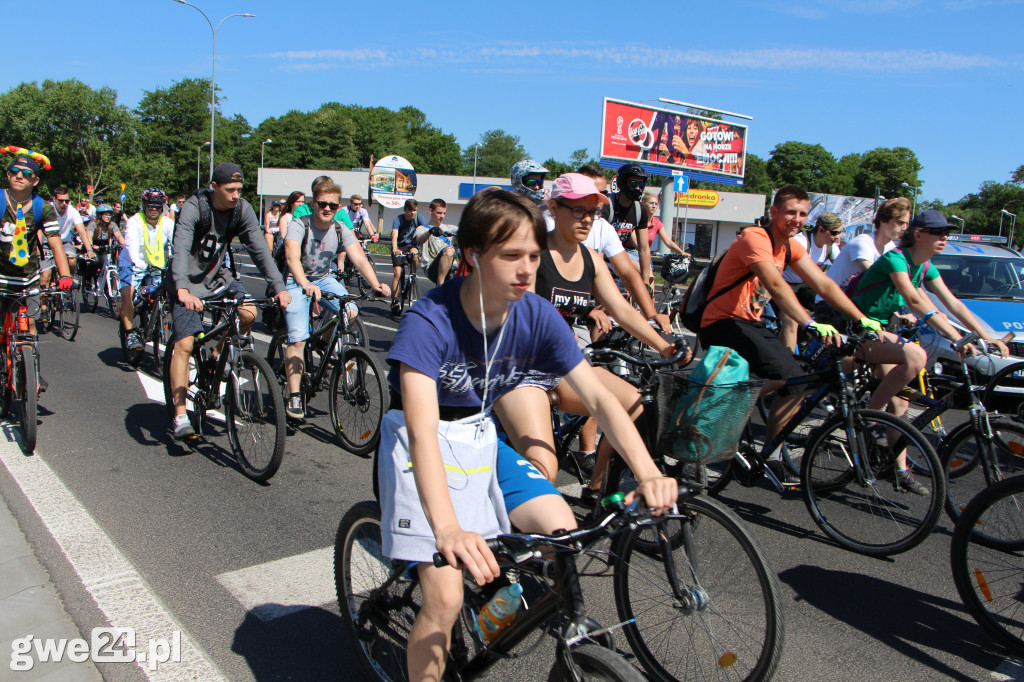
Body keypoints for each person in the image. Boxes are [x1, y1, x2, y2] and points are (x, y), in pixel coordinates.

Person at [378, 187, 677, 681]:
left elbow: (600, 398)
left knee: (561, 528)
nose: (526, 270)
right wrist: (449, 528)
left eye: (534, 257)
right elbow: (423, 432)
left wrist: (647, 473)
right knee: (445, 598)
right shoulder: (428, 320)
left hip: (478, 436)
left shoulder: (536, 314)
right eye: (511, 256)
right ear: (473, 256)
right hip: (417, 447)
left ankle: (506, 604)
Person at [493, 173, 687, 509]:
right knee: (545, 470)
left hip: (565, 363)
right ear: (554, 207)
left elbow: (624, 312)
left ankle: (597, 492)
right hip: (519, 369)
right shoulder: (534, 253)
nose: (587, 219)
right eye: (578, 210)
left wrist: (665, 345)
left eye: (593, 212)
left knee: (635, 404)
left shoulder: (591, 260)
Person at [697, 185, 880, 484]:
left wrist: (861, 318)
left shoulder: (792, 246)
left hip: (748, 323)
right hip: (722, 322)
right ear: (774, 213)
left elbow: (825, 285)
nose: (797, 219)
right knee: (791, 378)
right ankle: (736, 416)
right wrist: (809, 323)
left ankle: (762, 448)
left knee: (793, 380)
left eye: (803, 214)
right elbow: (776, 285)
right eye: (790, 212)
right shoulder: (755, 238)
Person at [841, 210, 1010, 493]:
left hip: (881, 331)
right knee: (915, 356)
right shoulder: (897, 258)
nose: (944, 237)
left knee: (901, 405)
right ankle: (866, 421)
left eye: (947, 233)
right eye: (937, 232)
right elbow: (914, 299)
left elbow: (952, 303)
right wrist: (955, 337)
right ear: (918, 234)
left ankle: (899, 471)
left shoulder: (926, 266)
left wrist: (985, 336)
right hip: (856, 327)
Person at [166, 162, 291, 440]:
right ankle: (179, 415)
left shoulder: (241, 210)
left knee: (247, 313)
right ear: (214, 187)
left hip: (216, 277)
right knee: (184, 344)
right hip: (184, 280)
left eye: (239, 189)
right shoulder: (194, 207)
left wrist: (278, 286)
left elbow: (260, 251)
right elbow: (181, 247)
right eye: (230, 189)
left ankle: (217, 357)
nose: (236, 195)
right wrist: (183, 290)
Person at [280, 177, 390, 420]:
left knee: (350, 311)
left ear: (338, 206)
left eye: (332, 205)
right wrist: (305, 284)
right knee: (298, 338)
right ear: (313, 203)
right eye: (322, 204)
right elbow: (291, 258)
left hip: (323, 277)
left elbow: (359, 258)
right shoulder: (300, 224)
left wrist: (376, 285)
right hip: (297, 280)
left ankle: (323, 342)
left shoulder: (340, 227)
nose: (327, 209)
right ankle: (295, 396)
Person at [0, 148, 73, 392]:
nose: (19, 176)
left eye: (26, 173)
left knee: (29, 326)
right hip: (0, 277)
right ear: (8, 175)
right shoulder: (0, 200)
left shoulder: (43, 207)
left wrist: (65, 275)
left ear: (35, 180)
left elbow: (55, 242)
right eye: (14, 171)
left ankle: (34, 374)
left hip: (27, 277)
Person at [813, 198, 911, 326]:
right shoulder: (863, 243)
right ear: (883, 221)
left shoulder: (891, 248)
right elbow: (875, 279)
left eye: (906, 224)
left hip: (853, 303)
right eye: (899, 222)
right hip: (828, 302)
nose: (904, 228)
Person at [774, 211, 842, 351]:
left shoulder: (831, 248)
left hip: (804, 286)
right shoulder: (801, 242)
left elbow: (841, 270)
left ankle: (813, 351)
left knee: (830, 311)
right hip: (784, 283)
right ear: (821, 229)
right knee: (791, 320)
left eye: (839, 233)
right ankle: (789, 362)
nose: (837, 237)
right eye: (834, 233)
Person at [119, 188, 174, 352]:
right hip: (132, 263)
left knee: (170, 292)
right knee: (127, 295)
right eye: (149, 206)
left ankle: (155, 318)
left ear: (162, 207)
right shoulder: (135, 221)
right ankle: (130, 333)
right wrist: (138, 262)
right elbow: (132, 245)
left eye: (157, 206)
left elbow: (179, 244)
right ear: (143, 206)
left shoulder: (168, 223)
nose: (153, 209)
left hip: (156, 266)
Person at [608, 163, 654, 286]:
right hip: (602, 259)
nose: (638, 188)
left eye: (642, 184)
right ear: (622, 183)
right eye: (634, 183)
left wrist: (645, 283)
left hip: (619, 261)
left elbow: (644, 249)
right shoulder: (608, 205)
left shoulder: (640, 210)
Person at [47, 186, 94, 284]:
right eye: (61, 201)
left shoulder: (72, 211)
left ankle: (70, 281)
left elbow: (81, 231)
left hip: (65, 242)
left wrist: (89, 249)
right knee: (46, 275)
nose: (64, 204)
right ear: (54, 199)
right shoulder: (48, 209)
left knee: (72, 261)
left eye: (67, 201)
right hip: (48, 242)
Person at [389, 198, 426, 314]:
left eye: (414, 210)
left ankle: (413, 275)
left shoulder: (419, 218)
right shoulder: (398, 219)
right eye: (410, 210)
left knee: (415, 254)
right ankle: (394, 300)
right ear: (405, 210)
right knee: (397, 273)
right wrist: (395, 248)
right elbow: (394, 236)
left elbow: (425, 232)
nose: (412, 213)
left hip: (412, 245)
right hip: (399, 246)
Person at [415, 198, 458, 287]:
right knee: (449, 250)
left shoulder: (450, 228)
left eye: (444, 213)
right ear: (431, 211)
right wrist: (430, 232)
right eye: (439, 213)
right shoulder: (422, 229)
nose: (442, 216)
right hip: (432, 268)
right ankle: (439, 286)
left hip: (451, 267)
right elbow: (419, 240)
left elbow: (466, 230)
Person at [643, 192, 689, 258]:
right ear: (643, 204)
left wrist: (682, 252)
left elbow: (669, 242)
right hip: (632, 252)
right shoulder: (637, 219)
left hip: (645, 255)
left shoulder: (656, 222)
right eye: (651, 203)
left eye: (656, 204)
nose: (654, 206)